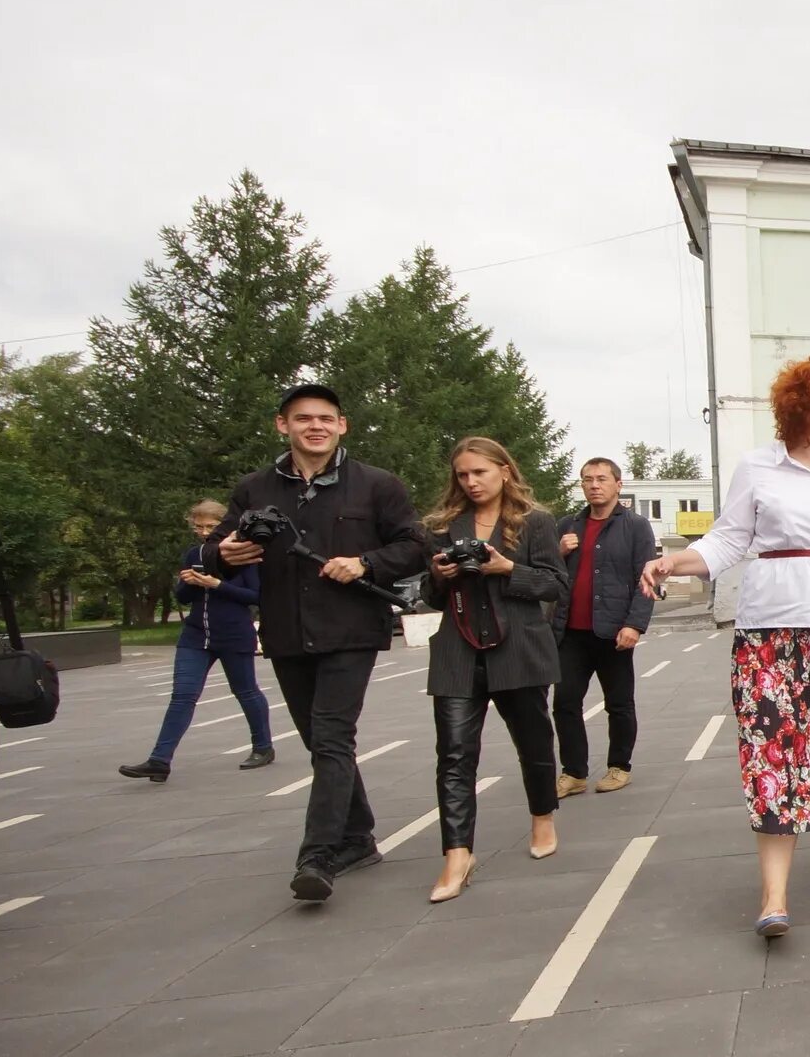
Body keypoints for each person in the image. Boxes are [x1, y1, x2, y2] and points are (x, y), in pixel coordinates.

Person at [642, 353, 810, 937]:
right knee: (772, 753)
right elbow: (726, 541)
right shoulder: (758, 468)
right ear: (800, 406)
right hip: (773, 635)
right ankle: (774, 897)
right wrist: (675, 562)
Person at [212, 383, 432, 902]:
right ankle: (357, 836)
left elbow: (415, 545)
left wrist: (365, 562)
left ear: (342, 426)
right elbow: (218, 545)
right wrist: (224, 552)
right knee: (318, 740)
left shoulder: (377, 485)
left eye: (326, 418)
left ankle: (317, 855)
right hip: (287, 632)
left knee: (332, 738)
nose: (316, 426)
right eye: (304, 418)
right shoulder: (254, 488)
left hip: (351, 629)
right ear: (282, 425)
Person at [421, 438, 568, 902]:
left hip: (518, 649)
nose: (471, 482)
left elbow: (553, 586)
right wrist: (439, 577)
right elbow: (426, 596)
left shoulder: (535, 523)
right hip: (457, 651)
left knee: (534, 743)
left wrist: (506, 568)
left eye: (480, 472)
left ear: (504, 471)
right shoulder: (443, 526)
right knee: (454, 755)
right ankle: (457, 854)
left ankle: (542, 818)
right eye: (463, 474)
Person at [119, 498, 276, 781]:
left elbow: (257, 597)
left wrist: (217, 584)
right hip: (195, 635)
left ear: (226, 525)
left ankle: (263, 747)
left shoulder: (246, 554)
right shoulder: (195, 554)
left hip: (233, 633)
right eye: (199, 526)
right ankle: (159, 760)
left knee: (246, 691)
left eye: (211, 526)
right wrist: (188, 583)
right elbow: (182, 597)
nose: (204, 532)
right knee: (182, 696)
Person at [552, 456, 658, 795]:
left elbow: (647, 577)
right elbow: (546, 573)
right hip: (570, 632)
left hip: (613, 631)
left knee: (619, 703)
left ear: (618, 484)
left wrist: (635, 625)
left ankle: (619, 766)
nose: (594, 485)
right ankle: (574, 772)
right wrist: (558, 551)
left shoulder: (635, 526)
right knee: (565, 702)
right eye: (587, 479)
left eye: (601, 478)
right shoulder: (568, 526)